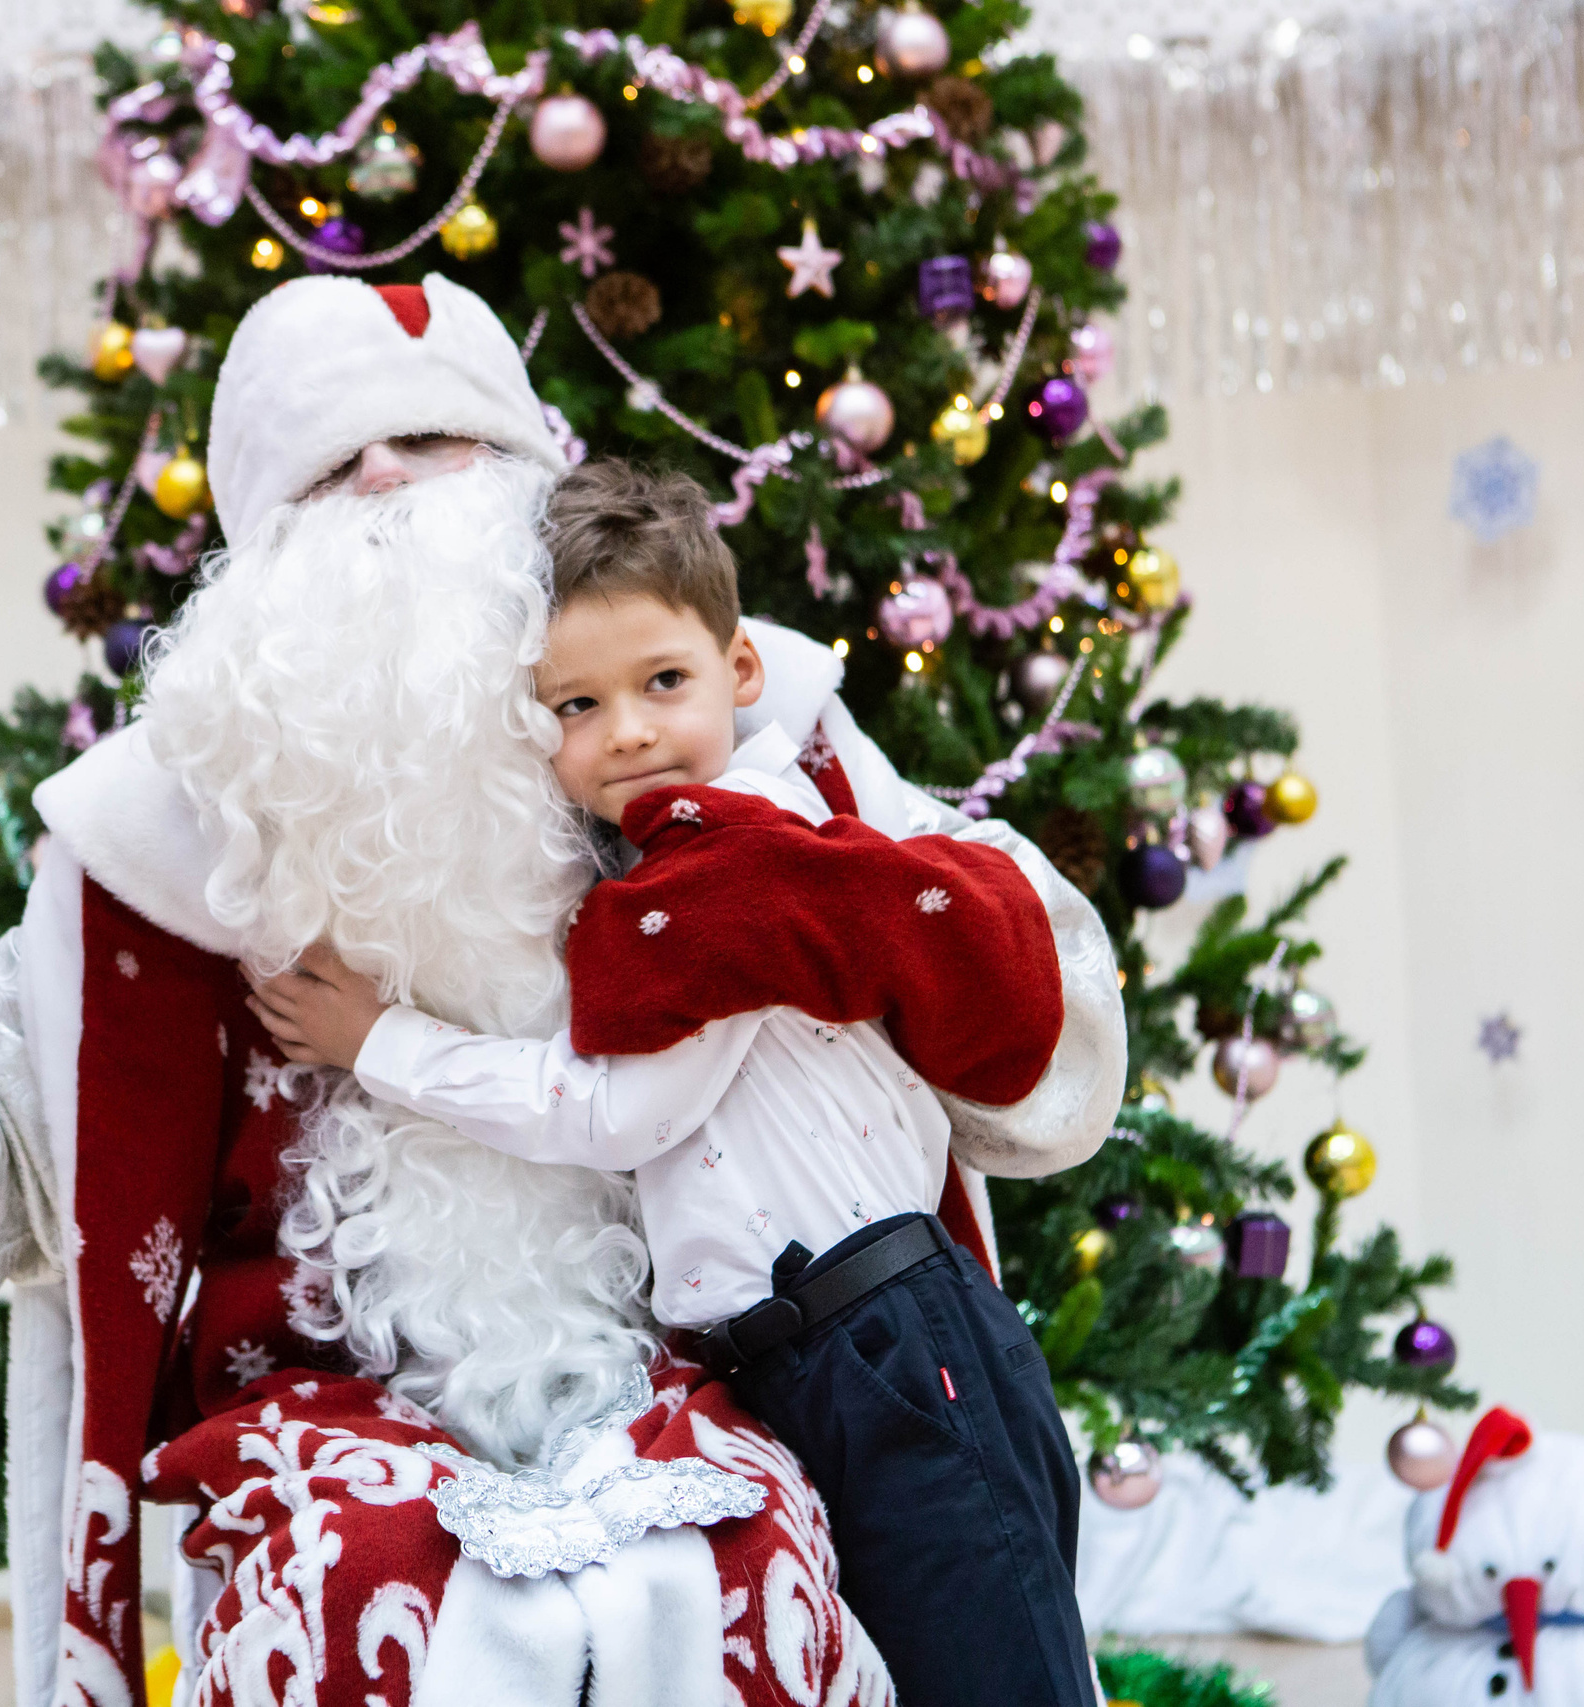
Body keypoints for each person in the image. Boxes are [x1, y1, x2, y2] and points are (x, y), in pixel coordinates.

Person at [0, 274, 1125, 1707]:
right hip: (325, 1405)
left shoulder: (742, 743)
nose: (399, 487)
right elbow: (20, 1136)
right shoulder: (163, 835)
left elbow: (1025, 1021)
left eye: (444, 442)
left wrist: (928, 935)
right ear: (251, 568)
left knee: (741, 1566)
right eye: (342, 462)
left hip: (729, 1365)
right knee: (363, 1590)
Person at [247, 461, 1104, 1707]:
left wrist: (379, 1042)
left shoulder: (723, 877)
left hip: (890, 1341)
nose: (629, 732)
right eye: (575, 708)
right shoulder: (669, 874)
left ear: (741, 673)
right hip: (830, 1349)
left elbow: (610, 1110)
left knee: (995, 1679)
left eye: (662, 683)